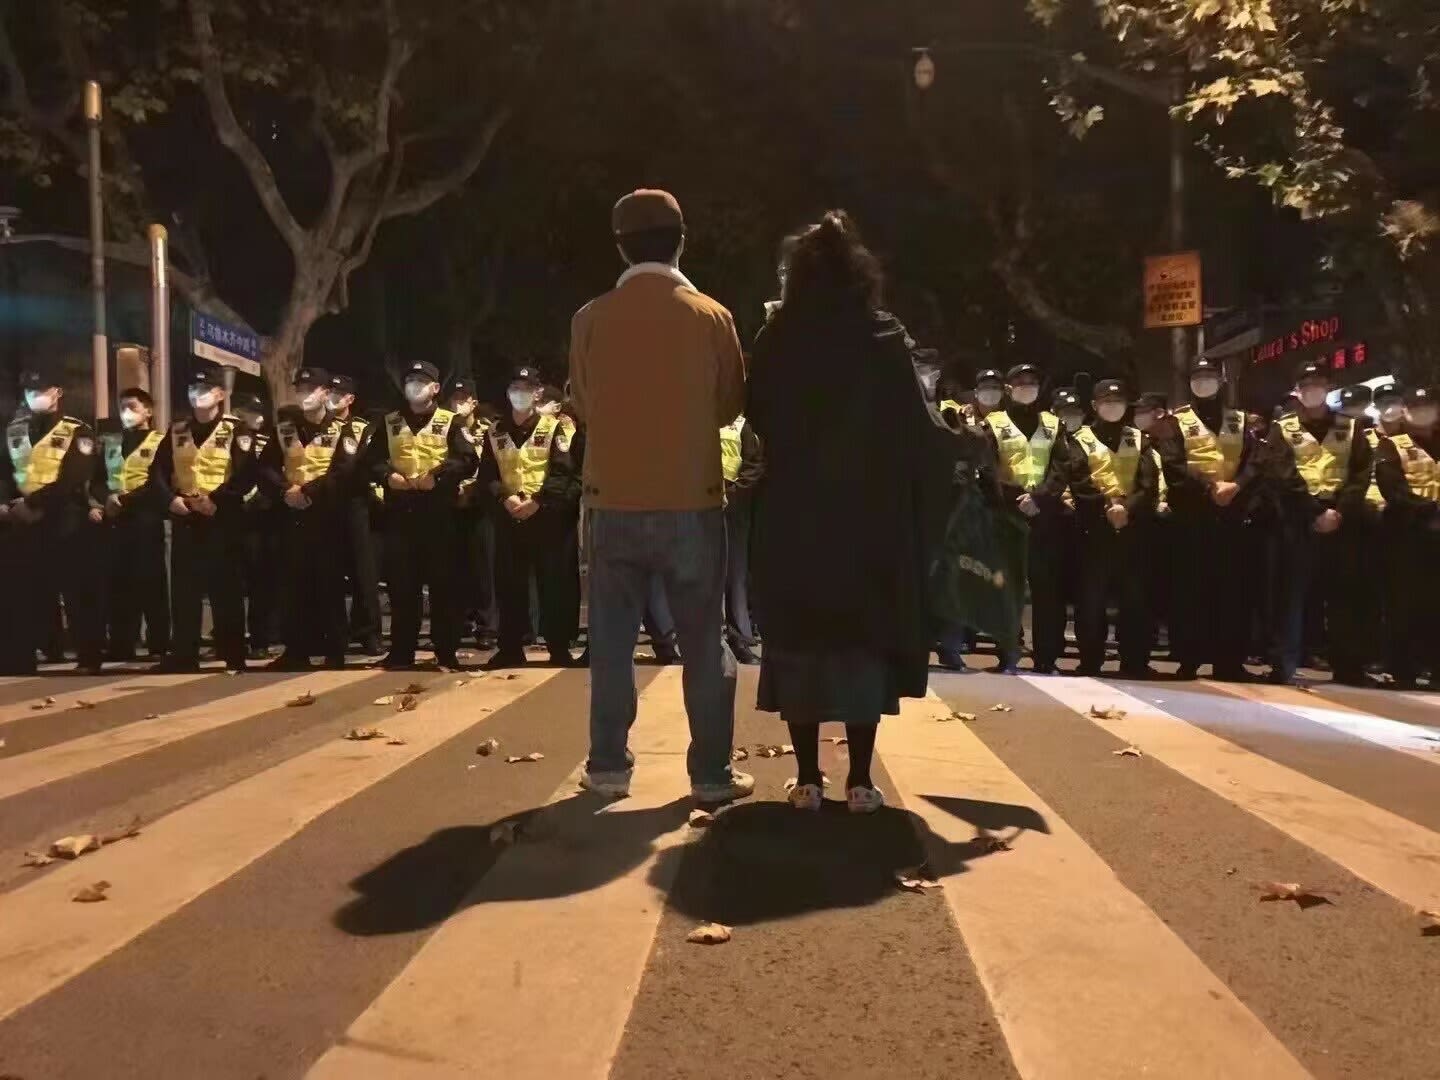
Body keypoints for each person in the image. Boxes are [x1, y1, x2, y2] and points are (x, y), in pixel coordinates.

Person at [747, 210, 958, 812]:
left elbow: (757, 409)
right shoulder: (884, 334)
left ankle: (808, 777)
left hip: (796, 511)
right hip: (868, 515)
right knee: (862, 639)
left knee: (800, 637)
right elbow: (917, 427)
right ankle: (861, 778)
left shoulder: (778, 334)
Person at [569, 188, 751, 805]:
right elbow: (730, 407)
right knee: (704, 639)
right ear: (681, 239)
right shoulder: (712, 316)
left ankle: (609, 767)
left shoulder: (590, 318)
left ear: (620, 246)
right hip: (692, 503)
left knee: (613, 641)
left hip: (611, 501)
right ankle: (710, 776)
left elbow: (585, 407)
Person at [1260, 359, 1372, 685]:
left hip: (1341, 520)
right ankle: (1283, 665)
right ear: (1298, 391)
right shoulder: (1284, 428)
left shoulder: (1350, 427)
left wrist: (1339, 511)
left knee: (1345, 596)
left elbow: (1361, 473)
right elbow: (1280, 473)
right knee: (1290, 596)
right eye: (1307, 386)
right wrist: (1314, 512)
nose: (1313, 391)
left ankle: (1350, 667)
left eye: (1319, 385)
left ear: (1328, 388)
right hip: (1298, 520)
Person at [361, 360, 476, 670]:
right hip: (400, 514)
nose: (414, 385)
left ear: (435, 388)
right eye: (410, 380)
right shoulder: (390, 422)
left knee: (443, 586)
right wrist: (387, 476)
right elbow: (370, 460)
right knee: (402, 587)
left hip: (438, 514)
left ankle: (446, 650)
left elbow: (468, 460)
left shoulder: (451, 422)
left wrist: (438, 475)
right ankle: (401, 651)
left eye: (421, 380)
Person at [1041, 377, 1158, 677]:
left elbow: (1149, 483)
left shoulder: (1139, 438)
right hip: (1093, 529)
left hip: (1132, 530)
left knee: (1136, 599)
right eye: (1106, 402)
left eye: (1117, 402)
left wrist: (1127, 508)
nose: (1112, 407)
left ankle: (1134, 659)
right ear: (1094, 406)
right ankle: (1091, 658)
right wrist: (1108, 507)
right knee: (1090, 599)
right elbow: (1079, 480)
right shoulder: (1080, 440)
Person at [1152, 358, 1258, 680]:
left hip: (1231, 514)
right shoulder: (1175, 422)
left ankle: (1230, 662)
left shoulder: (1241, 420)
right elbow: (1172, 464)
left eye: (1210, 376)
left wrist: (1236, 486)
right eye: (1198, 377)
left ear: (1221, 381)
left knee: (1233, 592)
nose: (1205, 382)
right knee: (1189, 589)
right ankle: (1189, 659)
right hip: (1193, 514)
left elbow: (1255, 460)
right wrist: (1211, 487)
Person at [149, 366, 257, 673]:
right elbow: (156, 472)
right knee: (184, 590)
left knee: (227, 588)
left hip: (222, 518)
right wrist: (171, 501)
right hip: (186, 516)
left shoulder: (239, 430)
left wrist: (217, 500)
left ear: (220, 395)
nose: (197, 395)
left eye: (204, 389)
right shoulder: (177, 430)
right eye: (192, 390)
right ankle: (184, 653)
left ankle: (233, 653)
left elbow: (246, 474)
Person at [477, 365, 583, 668]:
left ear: (537, 393)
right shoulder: (495, 432)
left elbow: (565, 472)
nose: (518, 393)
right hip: (510, 515)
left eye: (525, 388)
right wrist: (504, 496)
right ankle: (510, 646)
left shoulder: (556, 428)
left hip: (547, 516)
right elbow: (487, 474)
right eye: (514, 387)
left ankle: (558, 647)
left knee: (555, 583)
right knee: (510, 584)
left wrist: (538, 501)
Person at [0, 369, 105, 674]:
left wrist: (34, 503)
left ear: (57, 392)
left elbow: (75, 477)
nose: (35, 396)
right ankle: (20, 658)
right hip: (21, 522)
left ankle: (88, 656)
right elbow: (5, 472)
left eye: (41, 390)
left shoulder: (78, 431)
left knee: (76, 592)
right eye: (30, 392)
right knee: (22, 592)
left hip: (64, 519)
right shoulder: (14, 431)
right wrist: (7, 504)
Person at [264, 368, 358, 670]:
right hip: (292, 515)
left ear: (326, 393)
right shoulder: (285, 430)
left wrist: (310, 491)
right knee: (293, 584)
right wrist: (285, 491)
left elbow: (346, 472)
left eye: (311, 388)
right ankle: (296, 650)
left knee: (329, 584)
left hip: (327, 516)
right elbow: (265, 468)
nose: (304, 394)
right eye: (300, 388)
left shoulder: (341, 430)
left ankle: (334, 651)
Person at [982, 363, 1060, 674]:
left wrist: (1039, 497)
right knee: (1007, 587)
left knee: (1047, 590)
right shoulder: (994, 423)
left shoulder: (1053, 425)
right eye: (1020, 382)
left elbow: (1062, 467)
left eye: (1032, 381)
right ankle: (1007, 651)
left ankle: (1047, 657)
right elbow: (987, 469)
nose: (1026, 386)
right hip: (1007, 516)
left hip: (1043, 516)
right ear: (1009, 388)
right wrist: (1017, 498)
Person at [1374, 384, 1438, 687]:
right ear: (1406, 412)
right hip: (1406, 534)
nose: (1424, 414)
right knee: (1403, 604)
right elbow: (1393, 490)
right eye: (1417, 408)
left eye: (1429, 407)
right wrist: (1429, 509)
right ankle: (1402, 669)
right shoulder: (1391, 445)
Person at [100, 387, 169, 662]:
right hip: (116, 521)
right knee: (119, 585)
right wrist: (106, 499)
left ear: (148, 411)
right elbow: (97, 477)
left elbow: (158, 482)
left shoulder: (160, 442)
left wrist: (126, 500)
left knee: (152, 584)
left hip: (146, 520)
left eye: (132, 407)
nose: (126, 413)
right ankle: (121, 643)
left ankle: (159, 644)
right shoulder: (112, 442)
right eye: (122, 407)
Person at [329, 373, 384, 655]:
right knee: (328, 573)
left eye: (338, 394)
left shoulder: (362, 429)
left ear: (350, 399)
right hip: (323, 506)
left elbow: (364, 465)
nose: (331, 398)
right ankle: (332, 633)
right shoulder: (312, 427)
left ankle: (368, 632)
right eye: (329, 392)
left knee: (364, 572)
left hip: (356, 504)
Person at [231, 391, 281, 659]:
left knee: (262, 581)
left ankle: (261, 638)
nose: (257, 418)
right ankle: (229, 636)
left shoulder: (267, 440)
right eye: (251, 412)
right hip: (231, 513)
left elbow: (272, 472)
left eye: (260, 412)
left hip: (262, 517)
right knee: (232, 582)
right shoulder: (227, 437)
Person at [720, 411, 763, 664]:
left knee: (735, 575)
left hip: (735, 502)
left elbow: (754, 463)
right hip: (708, 499)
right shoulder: (705, 420)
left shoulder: (744, 425)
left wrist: (735, 491)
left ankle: (739, 639)